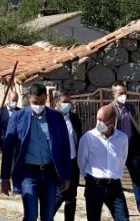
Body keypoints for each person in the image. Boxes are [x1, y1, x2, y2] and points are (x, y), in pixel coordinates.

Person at [0, 83, 71, 221]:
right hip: (28, 173)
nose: (38, 105)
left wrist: (66, 176)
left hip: (50, 173)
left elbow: (65, 148)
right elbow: (8, 149)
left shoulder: (56, 118)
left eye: (42, 102)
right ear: (28, 98)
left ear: (47, 98)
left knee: (48, 216)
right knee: (31, 215)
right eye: (35, 102)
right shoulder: (18, 117)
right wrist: (4, 178)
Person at [110, 83, 140, 219]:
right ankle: (116, 209)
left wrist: (139, 149)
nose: (123, 96)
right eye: (120, 93)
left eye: (124, 93)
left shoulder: (131, 108)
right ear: (113, 94)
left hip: (132, 148)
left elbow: (135, 127)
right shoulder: (109, 110)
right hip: (116, 150)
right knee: (113, 180)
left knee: (136, 178)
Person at [79, 105, 130, 221]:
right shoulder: (88, 138)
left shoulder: (122, 138)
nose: (98, 123)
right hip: (94, 185)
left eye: (101, 120)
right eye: (97, 119)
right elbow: (82, 161)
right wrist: (88, 179)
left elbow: (122, 159)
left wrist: (114, 173)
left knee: (123, 218)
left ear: (111, 122)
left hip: (114, 186)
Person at [53, 92, 83, 221]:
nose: (67, 104)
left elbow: (79, 138)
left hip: (73, 161)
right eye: (64, 102)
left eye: (69, 102)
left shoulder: (74, 118)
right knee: (59, 194)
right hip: (58, 164)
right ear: (56, 103)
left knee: (71, 196)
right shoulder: (50, 118)